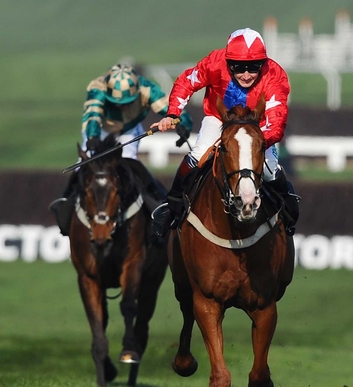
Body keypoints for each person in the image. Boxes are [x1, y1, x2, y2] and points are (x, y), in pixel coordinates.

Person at [150, 27, 298, 239]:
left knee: (270, 169)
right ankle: (172, 204)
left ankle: (288, 207)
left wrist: (248, 145)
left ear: (263, 64)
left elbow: (276, 121)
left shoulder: (275, 75)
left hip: (257, 126)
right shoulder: (214, 62)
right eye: (238, 67)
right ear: (228, 63)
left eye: (254, 67)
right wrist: (173, 113)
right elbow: (186, 82)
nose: (246, 74)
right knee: (198, 155)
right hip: (219, 120)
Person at [49, 63, 193, 236]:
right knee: (83, 165)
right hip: (100, 129)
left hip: (128, 130)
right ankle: (66, 200)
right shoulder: (98, 88)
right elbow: (93, 115)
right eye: (117, 103)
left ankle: (159, 200)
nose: (123, 107)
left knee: (130, 163)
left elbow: (172, 110)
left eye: (128, 102)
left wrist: (183, 124)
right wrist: (93, 137)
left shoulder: (146, 88)